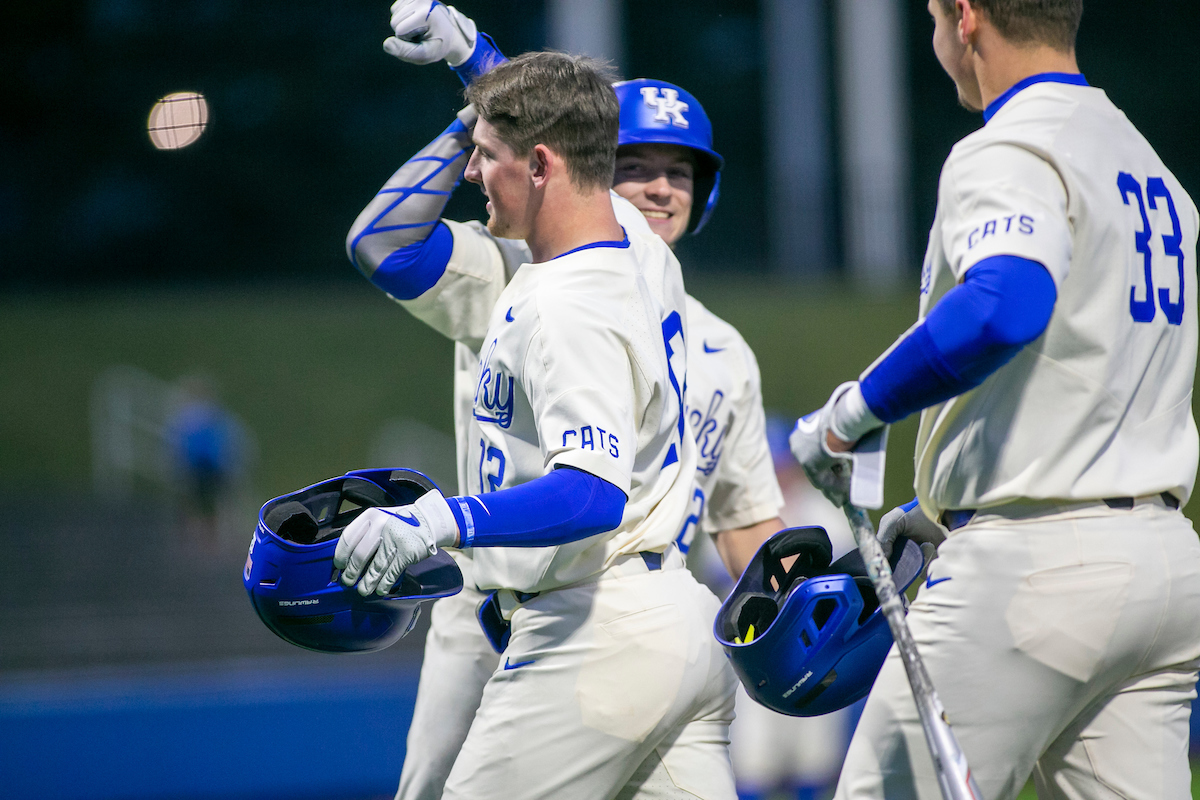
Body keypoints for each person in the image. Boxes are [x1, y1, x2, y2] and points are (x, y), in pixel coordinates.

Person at [344, 5, 788, 798]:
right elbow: (520, 154)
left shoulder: (565, 298)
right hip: (660, 620)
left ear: (548, 163)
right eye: (632, 161)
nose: (654, 186)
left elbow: (590, 490)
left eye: (676, 170)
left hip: (584, 616)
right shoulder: (641, 256)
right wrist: (480, 66)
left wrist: (434, 519)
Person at [790, 1, 1200, 797]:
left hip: (1034, 572)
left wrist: (855, 413)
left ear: (967, 17)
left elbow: (1006, 304)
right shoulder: (1146, 164)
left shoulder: (1011, 142)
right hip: (1165, 565)